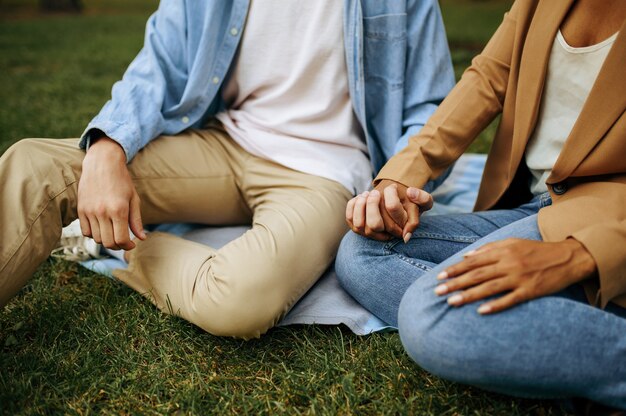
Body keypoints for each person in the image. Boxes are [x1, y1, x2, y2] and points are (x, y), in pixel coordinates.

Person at [0, 1, 455, 339]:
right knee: (34, 165)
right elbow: (160, 62)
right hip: (224, 141)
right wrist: (106, 146)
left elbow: (428, 105)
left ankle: (112, 241)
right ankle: (101, 219)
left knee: (238, 299)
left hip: (324, 172)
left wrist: (399, 181)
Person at [336, 0, 626, 409]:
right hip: (536, 205)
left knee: (432, 316)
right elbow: (488, 77)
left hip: (606, 220)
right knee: (362, 251)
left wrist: (578, 257)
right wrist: (400, 177)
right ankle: (562, 332)